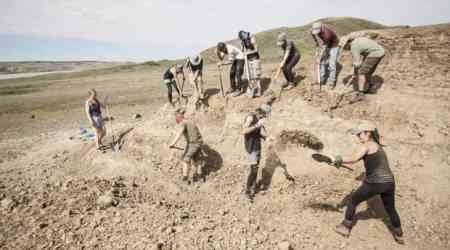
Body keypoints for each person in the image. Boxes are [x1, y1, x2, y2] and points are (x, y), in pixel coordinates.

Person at [331, 121, 404, 244]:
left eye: (360, 134)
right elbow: (358, 161)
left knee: (353, 201)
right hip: (389, 182)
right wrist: (341, 163)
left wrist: (337, 158)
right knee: (390, 209)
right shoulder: (377, 146)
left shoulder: (367, 145)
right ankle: (399, 234)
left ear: (368, 133)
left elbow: (354, 158)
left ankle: (345, 227)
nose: (358, 136)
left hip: (376, 182)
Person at [241, 104, 271, 201]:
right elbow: (243, 131)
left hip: (257, 146)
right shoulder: (251, 117)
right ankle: (247, 191)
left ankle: (253, 188)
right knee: (253, 169)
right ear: (261, 112)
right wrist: (257, 125)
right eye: (265, 115)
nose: (265, 117)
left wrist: (266, 138)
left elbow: (257, 133)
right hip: (251, 147)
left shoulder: (259, 119)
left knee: (256, 169)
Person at [168, 108, 204, 184]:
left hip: (193, 143)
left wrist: (173, 143)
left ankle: (185, 179)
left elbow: (179, 133)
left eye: (176, 118)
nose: (176, 120)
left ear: (179, 117)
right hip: (199, 143)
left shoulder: (183, 123)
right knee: (197, 160)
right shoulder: (190, 121)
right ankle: (200, 177)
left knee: (185, 159)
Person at [311, 22, 340, 89]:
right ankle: (321, 80)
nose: (316, 33)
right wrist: (316, 43)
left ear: (321, 28)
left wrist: (319, 57)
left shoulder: (327, 34)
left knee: (332, 64)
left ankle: (331, 82)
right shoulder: (313, 31)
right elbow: (313, 35)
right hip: (326, 44)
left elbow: (324, 47)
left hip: (334, 46)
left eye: (317, 31)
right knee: (322, 62)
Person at [238, 30, 263, 97]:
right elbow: (242, 51)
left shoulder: (252, 38)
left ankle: (259, 91)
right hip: (248, 61)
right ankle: (253, 90)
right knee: (251, 76)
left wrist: (248, 53)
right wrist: (242, 45)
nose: (243, 39)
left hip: (255, 59)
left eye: (243, 38)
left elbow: (256, 50)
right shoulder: (243, 41)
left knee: (256, 76)